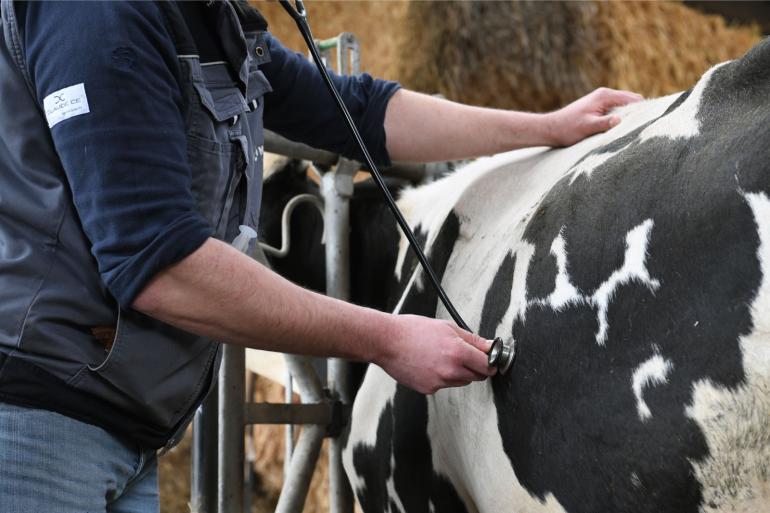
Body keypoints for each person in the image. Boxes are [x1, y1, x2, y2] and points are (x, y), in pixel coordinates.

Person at [0, 1, 642, 511]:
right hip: (35, 424)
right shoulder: (98, 14)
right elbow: (161, 266)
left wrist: (547, 127)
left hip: (122, 427)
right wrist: (388, 340)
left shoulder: (211, 20)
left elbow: (357, 110)